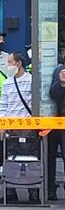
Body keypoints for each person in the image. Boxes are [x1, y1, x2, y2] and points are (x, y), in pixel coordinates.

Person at [0, 52, 36, 203]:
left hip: (27, 129)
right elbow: (3, 106)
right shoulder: (6, 83)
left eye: (10, 62)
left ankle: (33, 191)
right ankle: (11, 191)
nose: (8, 65)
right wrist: (1, 125)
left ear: (19, 63)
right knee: (9, 159)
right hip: (10, 129)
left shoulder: (31, 81)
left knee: (30, 158)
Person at [49, 62, 65, 200]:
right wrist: (61, 83)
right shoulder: (59, 71)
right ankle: (50, 189)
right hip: (55, 122)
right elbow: (53, 93)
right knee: (50, 157)